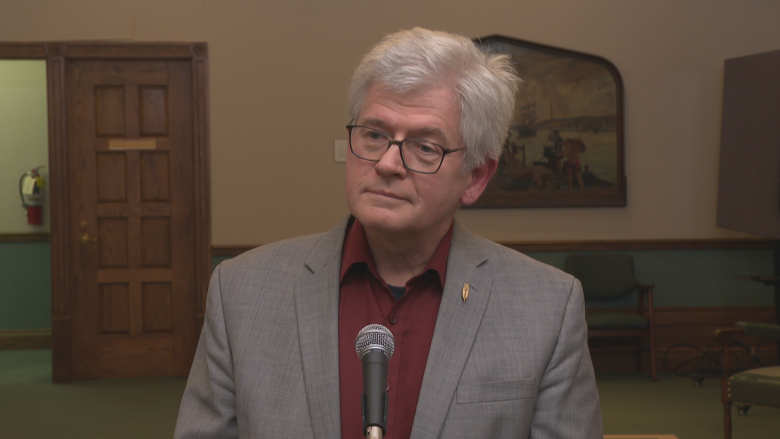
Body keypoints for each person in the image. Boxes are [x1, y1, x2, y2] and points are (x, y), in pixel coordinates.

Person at [174, 27, 602, 439]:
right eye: (375, 135)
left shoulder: (547, 309)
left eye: (425, 146)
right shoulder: (241, 293)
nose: (387, 163)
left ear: (475, 176)